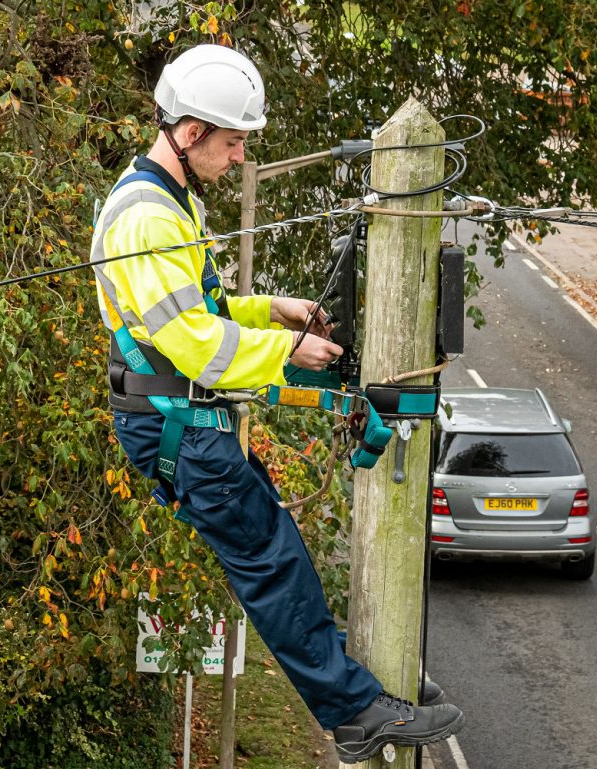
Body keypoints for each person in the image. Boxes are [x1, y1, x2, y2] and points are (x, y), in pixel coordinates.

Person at [90, 43, 464, 763]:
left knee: (280, 554)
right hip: (178, 422)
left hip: (184, 421)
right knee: (273, 563)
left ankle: (353, 682)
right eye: (232, 144)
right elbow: (195, 343)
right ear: (190, 131)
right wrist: (288, 354)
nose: (236, 159)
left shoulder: (171, 200)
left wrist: (273, 312)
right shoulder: (147, 216)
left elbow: (204, 308)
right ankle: (355, 712)